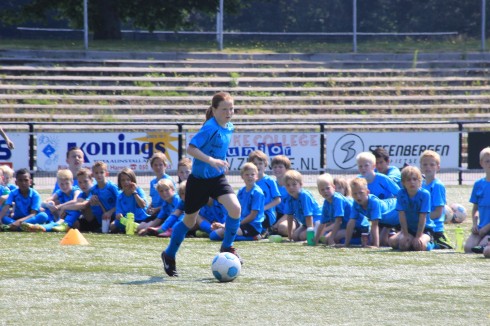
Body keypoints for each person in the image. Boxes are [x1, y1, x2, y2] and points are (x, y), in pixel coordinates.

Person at [161, 92, 242, 277]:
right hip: (198, 181)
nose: (229, 113)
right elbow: (191, 148)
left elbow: (218, 149)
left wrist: (220, 162)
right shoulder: (210, 128)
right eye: (224, 109)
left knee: (235, 208)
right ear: (214, 110)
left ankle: (227, 247)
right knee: (189, 221)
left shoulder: (229, 126)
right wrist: (211, 160)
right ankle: (169, 254)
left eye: (231, 109)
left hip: (217, 178)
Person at [210, 162, 265, 241]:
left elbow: (253, 216)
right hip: (241, 223)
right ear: (242, 176)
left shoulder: (257, 192)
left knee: (228, 234)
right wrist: (226, 224)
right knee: (213, 235)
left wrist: (235, 224)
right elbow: (236, 210)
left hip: (252, 226)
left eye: (252, 174)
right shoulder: (241, 191)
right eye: (247, 174)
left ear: (256, 176)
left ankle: (253, 237)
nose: (250, 176)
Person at [389, 166, 435, 251]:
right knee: (396, 243)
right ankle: (408, 239)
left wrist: (418, 236)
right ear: (403, 183)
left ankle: (432, 243)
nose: (412, 182)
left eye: (414, 179)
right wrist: (405, 234)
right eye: (408, 180)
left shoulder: (425, 195)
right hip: (408, 229)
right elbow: (401, 215)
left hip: (424, 229)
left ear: (420, 181)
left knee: (419, 245)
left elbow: (422, 217)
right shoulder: (401, 194)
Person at [344, 177, 399, 248]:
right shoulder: (356, 203)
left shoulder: (374, 202)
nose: (358, 196)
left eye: (361, 193)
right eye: (355, 194)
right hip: (386, 222)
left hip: (397, 214)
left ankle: (394, 233)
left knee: (398, 243)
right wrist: (346, 244)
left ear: (367, 192)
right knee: (382, 242)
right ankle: (389, 233)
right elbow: (351, 222)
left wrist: (376, 245)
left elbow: (374, 224)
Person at [420, 150, 452, 249]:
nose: (428, 167)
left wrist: (420, 219)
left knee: (420, 245)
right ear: (421, 167)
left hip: (434, 228)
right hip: (422, 225)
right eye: (425, 164)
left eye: (431, 164)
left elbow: (438, 213)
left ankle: (439, 241)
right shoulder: (421, 185)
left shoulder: (437, 186)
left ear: (438, 167)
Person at [248, 150, 281, 237]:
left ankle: (265, 230)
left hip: (267, 214)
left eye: (260, 163)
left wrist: (263, 208)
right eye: (255, 164)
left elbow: (277, 200)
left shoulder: (269, 181)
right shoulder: (250, 182)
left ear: (265, 165)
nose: (258, 166)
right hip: (253, 212)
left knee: (255, 219)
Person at [283, 169, 322, 242]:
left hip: (317, 221)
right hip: (305, 224)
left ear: (300, 184)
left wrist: (309, 235)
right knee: (295, 237)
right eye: (288, 185)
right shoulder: (289, 197)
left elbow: (309, 216)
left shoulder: (304, 196)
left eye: (294, 184)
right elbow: (290, 217)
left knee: (302, 236)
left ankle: (320, 234)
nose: (291, 187)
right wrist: (289, 235)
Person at [315, 173, 353, 245]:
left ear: (333, 187)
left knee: (327, 238)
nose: (325, 191)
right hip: (344, 227)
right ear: (319, 192)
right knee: (324, 238)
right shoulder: (326, 202)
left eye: (328, 188)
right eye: (322, 190)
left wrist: (331, 238)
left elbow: (339, 221)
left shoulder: (337, 199)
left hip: (356, 227)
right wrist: (315, 240)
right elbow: (322, 223)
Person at [465, 147, 490, 254]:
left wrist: (486, 228)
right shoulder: (478, 184)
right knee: (468, 248)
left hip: (487, 228)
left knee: (481, 248)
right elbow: (475, 208)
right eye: (487, 161)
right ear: (481, 163)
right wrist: (475, 224)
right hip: (481, 227)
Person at [111, 167, 149, 233]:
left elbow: (143, 205)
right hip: (127, 221)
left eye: (128, 180)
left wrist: (134, 193)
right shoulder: (120, 196)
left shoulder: (139, 191)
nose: (125, 182)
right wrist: (119, 215)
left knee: (141, 227)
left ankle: (138, 229)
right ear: (120, 182)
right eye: (123, 180)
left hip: (141, 219)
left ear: (133, 181)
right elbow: (118, 212)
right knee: (112, 226)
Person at [89, 161, 119, 231]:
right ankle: (102, 225)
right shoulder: (94, 189)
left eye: (101, 172)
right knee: (93, 203)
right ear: (93, 175)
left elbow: (121, 201)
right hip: (106, 216)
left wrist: (110, 212)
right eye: (96, 173)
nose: (99, 175)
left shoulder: (111, 187)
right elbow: (99, 205)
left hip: (117, 215)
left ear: (106, 173)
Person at [146, 152, 174, 219]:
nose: (158, 167)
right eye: (155, 165)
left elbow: (172, 201)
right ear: (152, 166)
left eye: (160, 165)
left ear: (165, 165)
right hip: (155, 213)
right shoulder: (152, 182)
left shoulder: (168, 180)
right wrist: (150, 207)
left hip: (166, 214)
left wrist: (157, 209)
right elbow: (154, 200)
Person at [270, 154, 292, 237]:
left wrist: (275, 226)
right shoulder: (271, 184)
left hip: (290, 216)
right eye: (275, 167)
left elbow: (291, 212)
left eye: (280, 167)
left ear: (287, 169)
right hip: (276, 215)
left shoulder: (291, 186)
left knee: (283, 228)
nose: (277, 169)